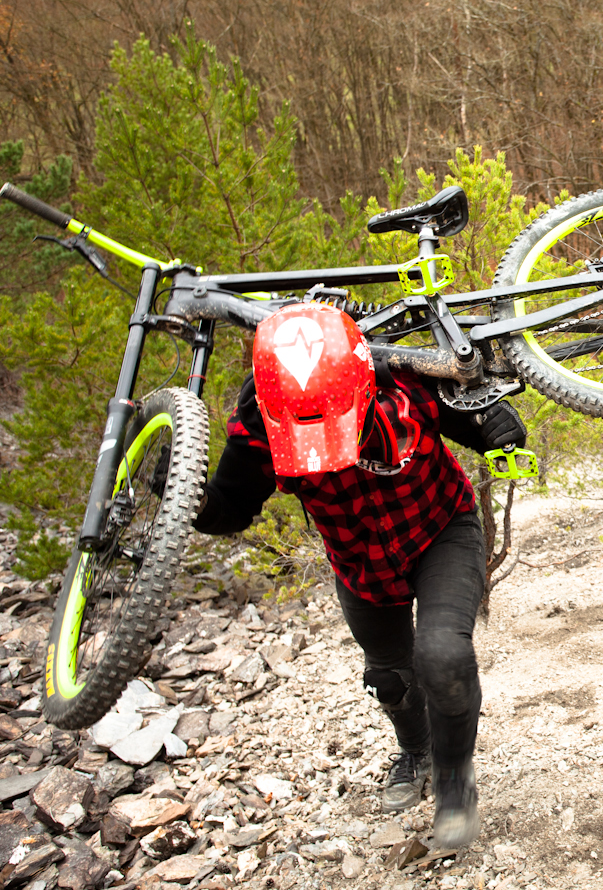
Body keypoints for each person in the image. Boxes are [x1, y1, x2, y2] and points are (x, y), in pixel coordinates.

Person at [190, 301, 524, 849]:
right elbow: (231, 507)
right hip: (360, 562)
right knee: (391, 679)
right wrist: (189, 499)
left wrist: (501, 429)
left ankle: (453, 784)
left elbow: (483, 421)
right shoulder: (259, 422)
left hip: (441, 528)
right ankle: (414, 751)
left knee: (443, 655)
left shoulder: (409, 382)